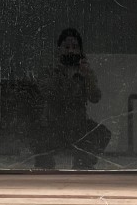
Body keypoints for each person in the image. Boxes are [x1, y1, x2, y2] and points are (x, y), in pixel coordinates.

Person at [34, 28, 111, 169]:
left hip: (78, 126)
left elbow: (95, 97)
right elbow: (48, 92)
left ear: (80, 51)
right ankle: (45, 169)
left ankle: (82, 164)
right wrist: (63, 75)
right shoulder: (51, 70)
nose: (70, 51)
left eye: (75, 47)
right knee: (37, 135)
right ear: (59, 49)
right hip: (54, 125)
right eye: (67, 47)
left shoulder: (85, 72)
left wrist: (86, 76)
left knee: (102, 133)